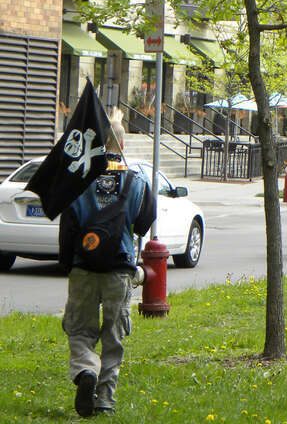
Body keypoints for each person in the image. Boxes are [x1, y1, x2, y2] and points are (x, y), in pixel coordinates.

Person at [58, 113, 155, 417]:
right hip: (119, 270)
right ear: (123, 143)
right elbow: (143, 224)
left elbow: (68, 228)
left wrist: (68, 265)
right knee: (114, 335)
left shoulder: (79, 180)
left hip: (83, 268)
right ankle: (105, 400)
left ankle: (86, 369)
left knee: (79, 329)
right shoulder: (137, 181)